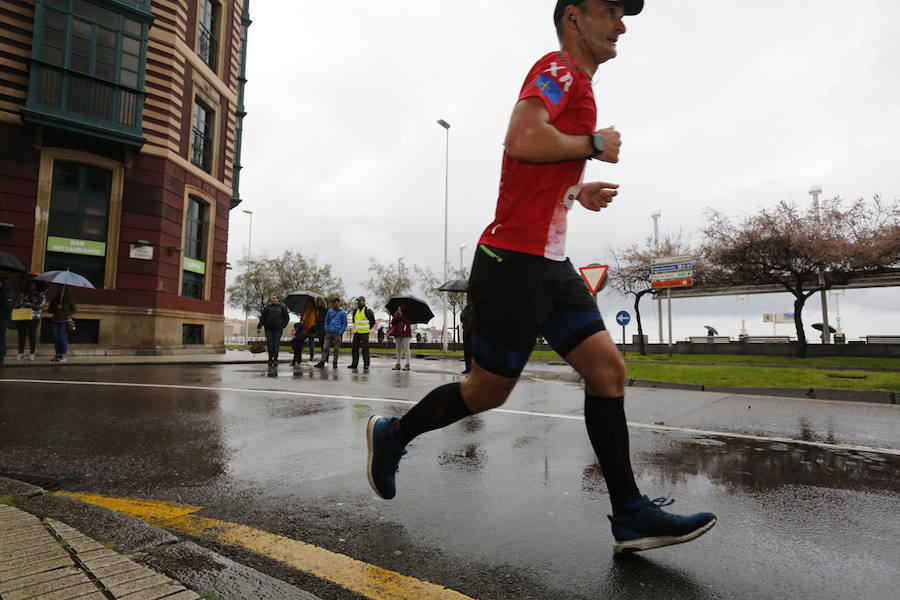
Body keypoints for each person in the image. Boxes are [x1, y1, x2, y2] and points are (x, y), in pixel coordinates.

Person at [366, 0, 716, 555]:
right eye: (610, 11)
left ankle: (629, 514)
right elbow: (522, 141)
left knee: (608, 370)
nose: (621, 24)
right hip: (512, 263)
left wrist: (577, 190)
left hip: (551, 265)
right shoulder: (558, 70)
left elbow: (534, 178)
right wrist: (594, 146)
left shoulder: (580, 82)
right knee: (487, 392)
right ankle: (393, 435)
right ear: (573, 17)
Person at [15, 280, 45, 361]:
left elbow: (39, 306)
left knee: (32, 336)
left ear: (36, 286)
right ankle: (20, 353)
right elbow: (16, 305)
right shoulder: (23, 294)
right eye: (29, 285)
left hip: (33, 318)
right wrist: (19, 298)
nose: (30, 286)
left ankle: (32, 353)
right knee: (21, 336)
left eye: (33, 285)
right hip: (22, 317)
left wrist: (27, 303)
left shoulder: (41, 295)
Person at [256, 294, 289, 366]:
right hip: (268, 329)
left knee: (276, 345)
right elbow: (262, 318)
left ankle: (276, 359)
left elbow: (287, 318)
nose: (272, 299)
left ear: (278, 299)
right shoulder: (268, 308)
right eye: (272, 298)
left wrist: (283, 326)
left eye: (274, 298)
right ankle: (270, 359)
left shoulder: (282, 307)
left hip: (278, 329)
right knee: (270, 344)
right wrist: (259, 327)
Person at [315, 297, 346, 368]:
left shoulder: (342, 312)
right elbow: (326, 320)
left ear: (338, 303)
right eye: (333, 303)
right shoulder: (330, 311)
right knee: (325, 348)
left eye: (335, 302)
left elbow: (344, 323)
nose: (334, 304)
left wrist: (341, 331)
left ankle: (335, 362)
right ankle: (322, 361)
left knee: (336, 349)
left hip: (337, 332)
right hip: (329, 332)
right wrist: (326, 328)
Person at [47, 291, 76, 362]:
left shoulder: (69, 300)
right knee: (56, 338)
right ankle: (57, 354)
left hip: (64, 322)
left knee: (62, 338)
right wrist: (56, 308)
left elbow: (74, 310)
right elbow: (49, 310)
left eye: (62, 290)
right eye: (59, 290)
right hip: (55, 321)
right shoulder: (55, 300)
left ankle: (63, 355)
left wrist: (66, 312)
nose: (60, 292)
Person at [348, 296, 375, 370]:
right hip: (356, 333)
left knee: (365, 349)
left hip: (364, 333)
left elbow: (372, 321)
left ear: (364, 301)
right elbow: (354, 320)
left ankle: (366, 364)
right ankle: (354, 364)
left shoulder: (368, 310)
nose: (358, 302)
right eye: (358, 301)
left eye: (359, 301)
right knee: (354, 349)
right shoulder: (355, 310)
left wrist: (368, 328)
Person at [388, 305, 412, 371]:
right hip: (397, 333)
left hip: (406, 334)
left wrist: (402, 316)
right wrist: (395, 316)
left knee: (406, 349)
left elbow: (409, 322)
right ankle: (398, 364)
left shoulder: (408, 313)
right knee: (398, 349)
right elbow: (393, 323)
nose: (401, 307)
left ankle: (408, 364)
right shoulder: (396, 312)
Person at [0, 277, 14, 365]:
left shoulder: (8, 293)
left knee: (1, 337)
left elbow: (8, 308)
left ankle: (1, 357)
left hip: (3, 319)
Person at [460, 295, 473, 374]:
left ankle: (472, 369)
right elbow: (462, 319)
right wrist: (461, 316)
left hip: (472, 333)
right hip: (466, 333)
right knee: (467, 352)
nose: (467, 300)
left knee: (472, 353)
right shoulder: (466, 308)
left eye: (469, 299)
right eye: (467, 299)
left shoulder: (475, 308)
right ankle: (467, 369)